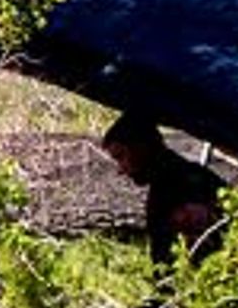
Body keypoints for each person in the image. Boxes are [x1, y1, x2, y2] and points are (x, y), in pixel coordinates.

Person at [96, 113, 227, 276]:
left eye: (121, 156)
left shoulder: (187, 184)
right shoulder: (166, 186)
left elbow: (203, 258)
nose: (121, 170)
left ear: (141, 147)